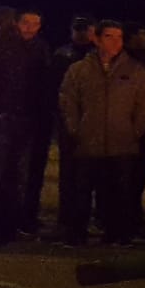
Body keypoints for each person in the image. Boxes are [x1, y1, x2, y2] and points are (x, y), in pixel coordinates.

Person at [58, 20, 145, 246]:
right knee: (82, 191)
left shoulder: (135, 70)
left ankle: (117, 234)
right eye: (110, 36)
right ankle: (76, 234)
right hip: (88, 142)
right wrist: (76, 128)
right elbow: (68, 101)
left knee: (118, 193)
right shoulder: (79, 69)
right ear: (97, 39)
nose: (116, 42)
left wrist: (135, 131)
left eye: (119, 37)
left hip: (121, 144)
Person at [0, 6, 37, 244]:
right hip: (15, 119)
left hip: (0, 118)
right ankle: (6, 226)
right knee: (11, 174)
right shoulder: (21, 48)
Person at [49, 16, 96, 239]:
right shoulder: (62, 54)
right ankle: (67, 219)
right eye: (78, 29)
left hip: (95, 124)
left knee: (92, 175)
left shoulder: (99, 56)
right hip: (69, 121)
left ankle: (90, 218)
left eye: (86, 29)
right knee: (69, 174)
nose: (82, 34)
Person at [15, 8, 51, 235]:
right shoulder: (7, 48)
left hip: (36, 118)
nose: (30, 28)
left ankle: (28, 216)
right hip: (13, 118)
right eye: (26, 22)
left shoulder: (42, 49)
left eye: (35, 24)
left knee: (34, 171)